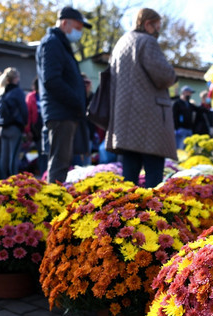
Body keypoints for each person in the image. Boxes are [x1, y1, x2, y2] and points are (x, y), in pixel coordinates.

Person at [105, 8, 177, 188]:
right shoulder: (147, 42)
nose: (157, 31)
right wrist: (173, 75)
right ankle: (154, 214)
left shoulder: (121, 43)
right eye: (157, 27)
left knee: (129, 177)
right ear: (147, 24)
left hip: (125, 121)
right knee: (154, 177)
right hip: (148, 120)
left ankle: (126, 212)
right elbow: (164, 76)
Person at [36, 6, 91, 183]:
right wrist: (76, 99)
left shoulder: (60, 44)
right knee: (59, 163)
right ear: (65, 22)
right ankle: (54, 202)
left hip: (65, 112)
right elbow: (51, 80)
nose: (79, 32)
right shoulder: (52, 43)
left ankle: (56, 198)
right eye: (78, 27)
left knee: (62, 161)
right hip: (60, 113)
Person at [0, 67, 27, 179]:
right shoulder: (17, 92)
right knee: (13, 156)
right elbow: (24, 110)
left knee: (3, 156)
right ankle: (13, 180)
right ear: (16, 78)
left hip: (3, 128)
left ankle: (2, 180)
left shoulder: (2, 91)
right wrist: (24, 123)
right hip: (14, 127)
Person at [24, 77, 44, 175]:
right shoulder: (31, 97)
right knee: (41, 152)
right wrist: (28, 130)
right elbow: (28, 114)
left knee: (47, 152)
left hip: (47, 127)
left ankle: (45, 172)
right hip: (36, 129)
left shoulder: (46, 94)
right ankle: (42, 173)